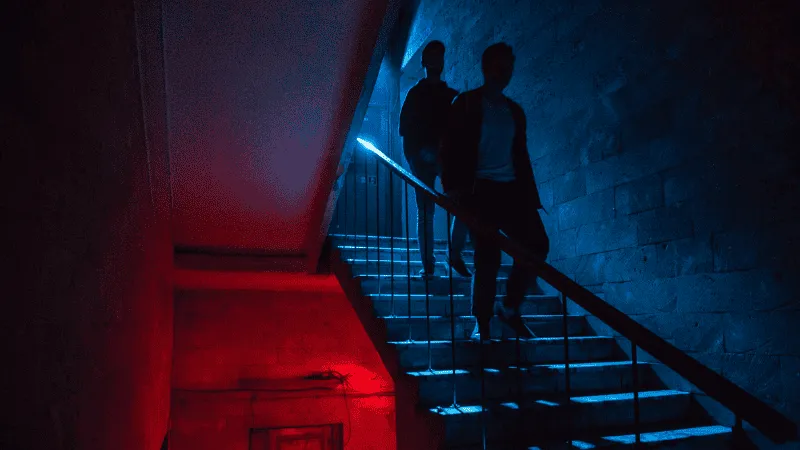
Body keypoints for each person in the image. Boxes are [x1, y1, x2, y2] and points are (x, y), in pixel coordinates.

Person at [440, 43, 550, 341]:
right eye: (501, 66)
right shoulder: (466, 104)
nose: (506, 72)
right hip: (482, 190)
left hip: (513, 191)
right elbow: (450, 150)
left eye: (510, 67)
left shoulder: (514, 111)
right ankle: (483, 321)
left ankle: (510, 308)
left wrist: (530, 196)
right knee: (487, 257)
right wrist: (454, 192)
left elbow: (520, 156)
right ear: (487, 67)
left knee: (538, 245)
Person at [399, 41, 471, 278]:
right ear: (424, 62)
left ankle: (452, 255)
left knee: (462, 203)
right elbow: (405, 130)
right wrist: (417, 156)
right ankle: (429, 265)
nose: (436, 61)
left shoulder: (450, 96)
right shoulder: (416, 94)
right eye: (432, 56)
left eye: (439, 56)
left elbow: (460, 131)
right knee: (426, 211)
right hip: (422, 159)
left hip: (445, 158)